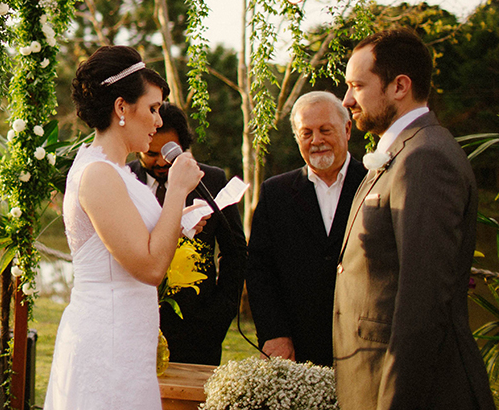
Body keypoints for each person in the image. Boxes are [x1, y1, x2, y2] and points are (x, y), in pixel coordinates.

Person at [334, 28, 494, 409]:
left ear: (399, 86)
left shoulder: (425, 159)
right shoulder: (404, 153)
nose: (347, 100)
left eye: (357, 85)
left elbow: (422, 303)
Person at [44, 46, 204, 409]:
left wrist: (180, 220)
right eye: (152, 108)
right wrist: (177, 190)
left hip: (129, 338)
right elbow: (149, 267)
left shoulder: (121, 174)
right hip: (107, 342)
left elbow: (135, 241)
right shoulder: (99, 175)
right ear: (121, 108)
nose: (159, 122)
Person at [246, 91, 366, 366]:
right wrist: (274, 333)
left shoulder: (374, 184)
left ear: (347, 129)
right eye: (306, 133)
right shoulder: (275, 193)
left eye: (325, 130)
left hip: (365, 348)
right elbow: (259, 270)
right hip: (297, 350)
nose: (317, 141)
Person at [128, 102, 245, 366]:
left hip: (198, 329)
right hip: (132, 323)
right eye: (151, 153)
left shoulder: (211, 180)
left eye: (168, 153)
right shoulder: (123, 180)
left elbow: (235, 250)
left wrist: (220, 313)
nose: (160, 162)